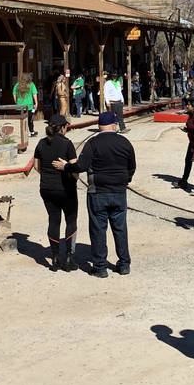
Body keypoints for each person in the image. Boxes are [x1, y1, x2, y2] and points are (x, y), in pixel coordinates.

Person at [53, 111, 136, 277]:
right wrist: (124, 180)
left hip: (97, 192)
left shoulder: (93, 143)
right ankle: (124, 264)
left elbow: (81, 166)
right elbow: (132, 166)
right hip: (119, 192)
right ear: (114, 125)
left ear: (99, 126)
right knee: (120, 229)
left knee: (98, 229)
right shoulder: (125, 142)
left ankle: (100, 267)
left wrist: (66, 167)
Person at [34, 114, 78, 271]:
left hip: (46, 188)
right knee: (71, 220)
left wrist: (47, 176)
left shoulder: (41, 143)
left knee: (54, 220)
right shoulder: (67, 144)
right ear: (63, 128)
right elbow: (75, 170)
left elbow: (36, 166)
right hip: (66, 189)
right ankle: (69, 257)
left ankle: (54, 257)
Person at [173, 99, 194, 192]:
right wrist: (186, 129)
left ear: (193, 107)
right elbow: (191, 128)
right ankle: (184, 180)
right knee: (188, 161)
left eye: (189, 105)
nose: (187, 106)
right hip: (192, 142)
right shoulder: (190, 116)